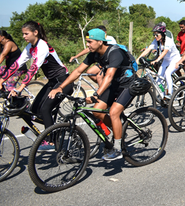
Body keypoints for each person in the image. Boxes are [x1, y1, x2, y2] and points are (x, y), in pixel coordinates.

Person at [48, 28, 136, 160]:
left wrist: (96, 94)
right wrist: (60, 87)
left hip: (127, 84)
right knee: (97, 112)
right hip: (114, 84)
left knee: (113, 113)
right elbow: (78, 72)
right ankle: (120, 130)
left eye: (90, 41)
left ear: (100, 42)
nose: (87, 45)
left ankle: (117, 148)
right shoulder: (94, 54)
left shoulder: (115, 52)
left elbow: (109, 75)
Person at [0, 21, 73, 151]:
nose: (24, 36)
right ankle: (54, 128)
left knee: (45, 109)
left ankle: (50, 141)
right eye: (23, 34)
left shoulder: (42, 46)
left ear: (35, 32)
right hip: (52, 82)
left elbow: (34, 68)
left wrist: (19, 89)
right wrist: (1, 81)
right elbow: (17, 64)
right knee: (35, 109)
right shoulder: (30, 47)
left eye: (26, 33)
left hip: (64, 82)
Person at [137, 23, 181, 99]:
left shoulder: (168, 40)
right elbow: (148, 49)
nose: (155, 36)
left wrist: (157, 60)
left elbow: (165, 51)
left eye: (157, 34)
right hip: (166, 60)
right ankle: (163, 96)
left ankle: (170, 93)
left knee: (167, 73)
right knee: (158, 80)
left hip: (175, 59)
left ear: (162, 34)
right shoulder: (156, 41)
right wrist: (138, 59)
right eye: (154, 34)